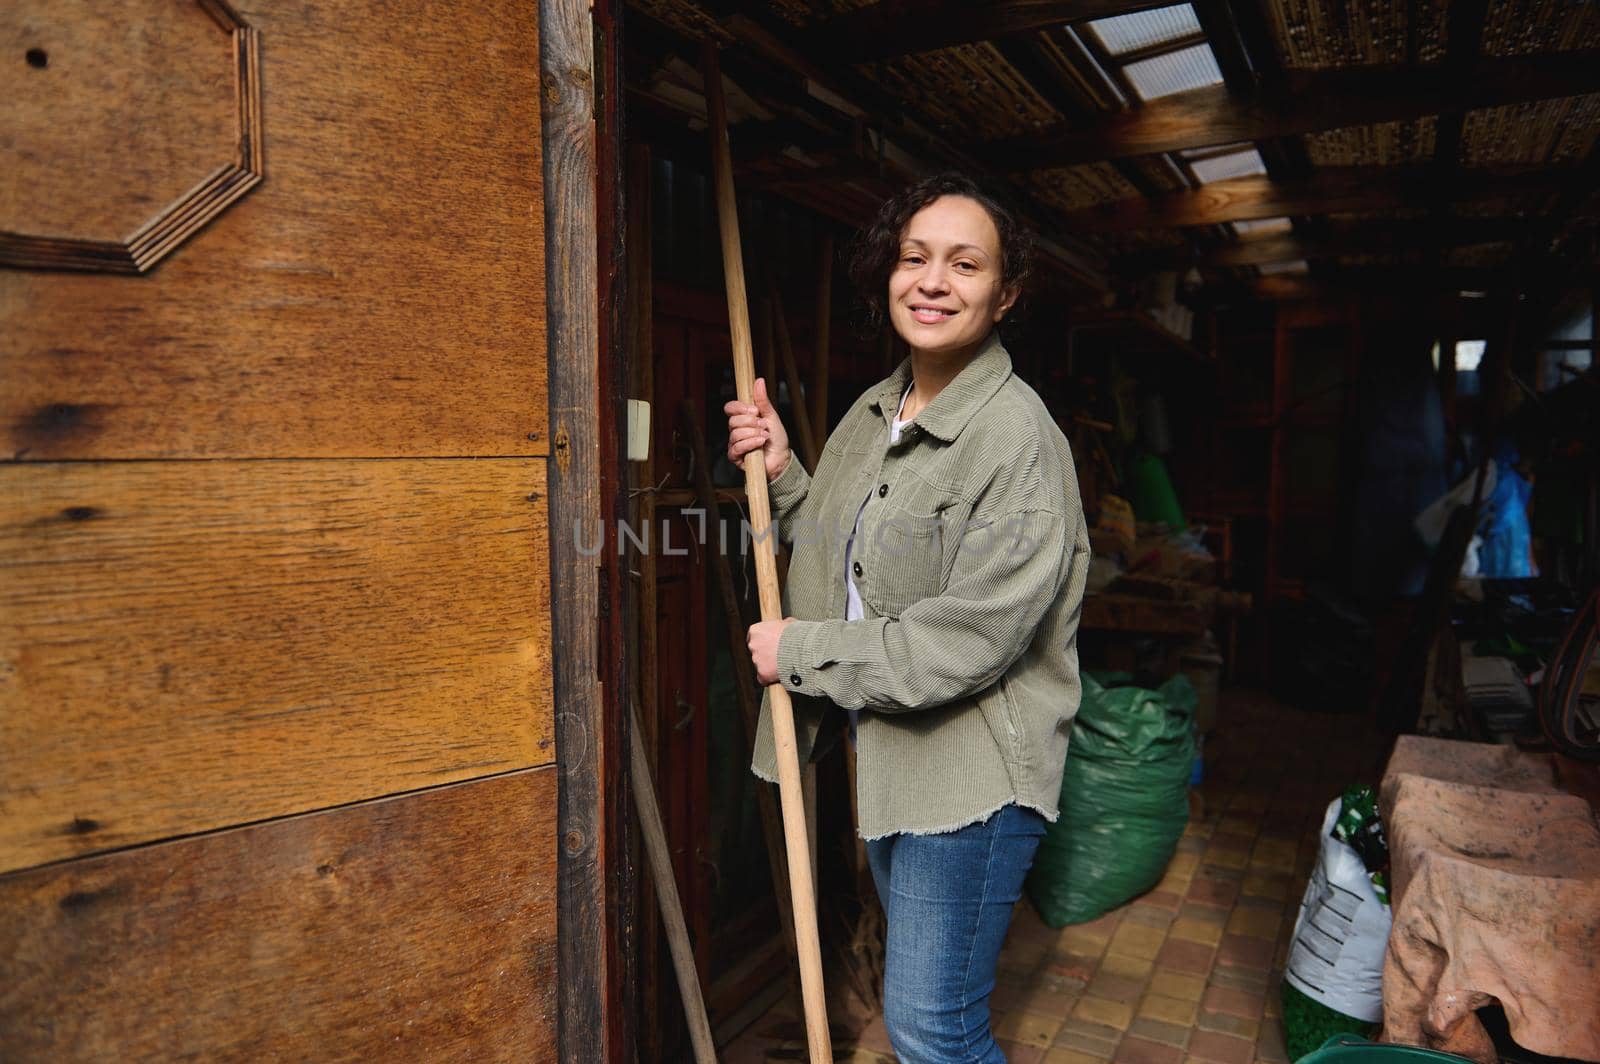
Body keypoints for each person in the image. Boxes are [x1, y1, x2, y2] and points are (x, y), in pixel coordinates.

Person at [725, 172, 1090, 1063]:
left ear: (1005, 296)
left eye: (964, 265)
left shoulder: (1018, 442)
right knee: (929, 1019)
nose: (932, 281)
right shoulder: (876, 411)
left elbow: (963, 641)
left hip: (969, 788)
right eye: (914, 257)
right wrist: (782, 471)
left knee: (934, 1029)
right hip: (893, 761)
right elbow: (845, 552)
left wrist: (799, 651)